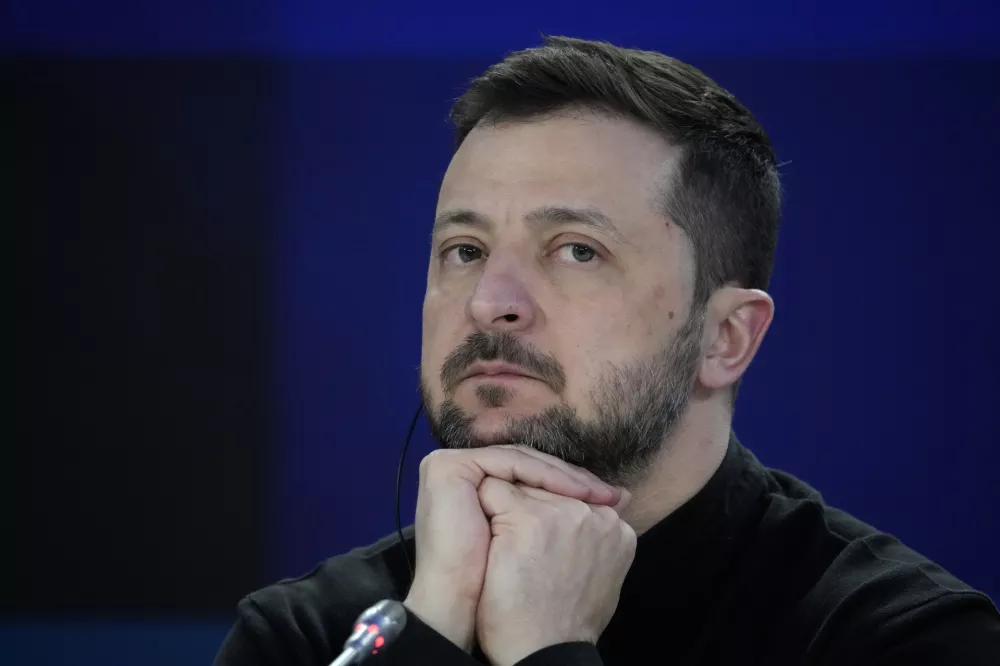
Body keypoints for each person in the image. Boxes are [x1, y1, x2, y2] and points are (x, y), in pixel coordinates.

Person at [213, 36, 999, 665]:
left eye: (577, 250)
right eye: (465, 251)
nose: (490, 302)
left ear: (725, 337)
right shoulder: (308, 637)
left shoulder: (903, 639)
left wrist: (549, 653)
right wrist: (432, 628)